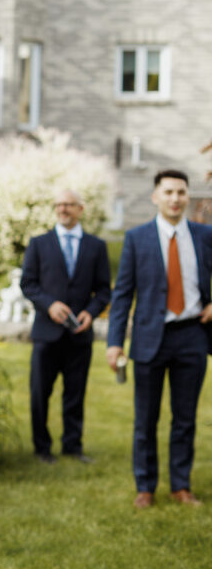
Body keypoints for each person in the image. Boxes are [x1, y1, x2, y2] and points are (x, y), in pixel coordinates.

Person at [106, 169, 212, 509]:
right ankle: (146, 486)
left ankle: (181, 486)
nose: (175, 199)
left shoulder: (204, 235)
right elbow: (122, 294)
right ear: (156, 197)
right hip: (150, 338)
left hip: (192, 336)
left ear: (187, 196)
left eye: (181, 192)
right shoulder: (137, 238)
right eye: (168, 192)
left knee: (185, 418)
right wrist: (114, 341)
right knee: (145, 418)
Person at [21, 189, 111, 464]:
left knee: (75, 393)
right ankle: (42, 448)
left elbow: (104, 290)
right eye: (59, 204)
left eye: (69, 205)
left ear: (80, 209)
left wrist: (91, 313)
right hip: (47, 333)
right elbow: (28, 284)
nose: (63, 209)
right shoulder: (39, 243)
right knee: (40, 393)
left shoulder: (96, 246)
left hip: (79, 335)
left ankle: (73, 446)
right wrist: (49, 305)